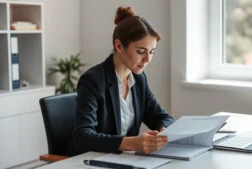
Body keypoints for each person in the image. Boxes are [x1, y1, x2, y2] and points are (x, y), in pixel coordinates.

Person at [67, 6, 174, 156]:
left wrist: (164, 130)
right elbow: (82, 137)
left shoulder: (138, 78)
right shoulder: (93, 80)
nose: (147, 59)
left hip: (123, 160)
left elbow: (162, 117)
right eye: (140, 52)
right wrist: (132, 143)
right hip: (93, 160)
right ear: (118, 46)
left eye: (151, 52)